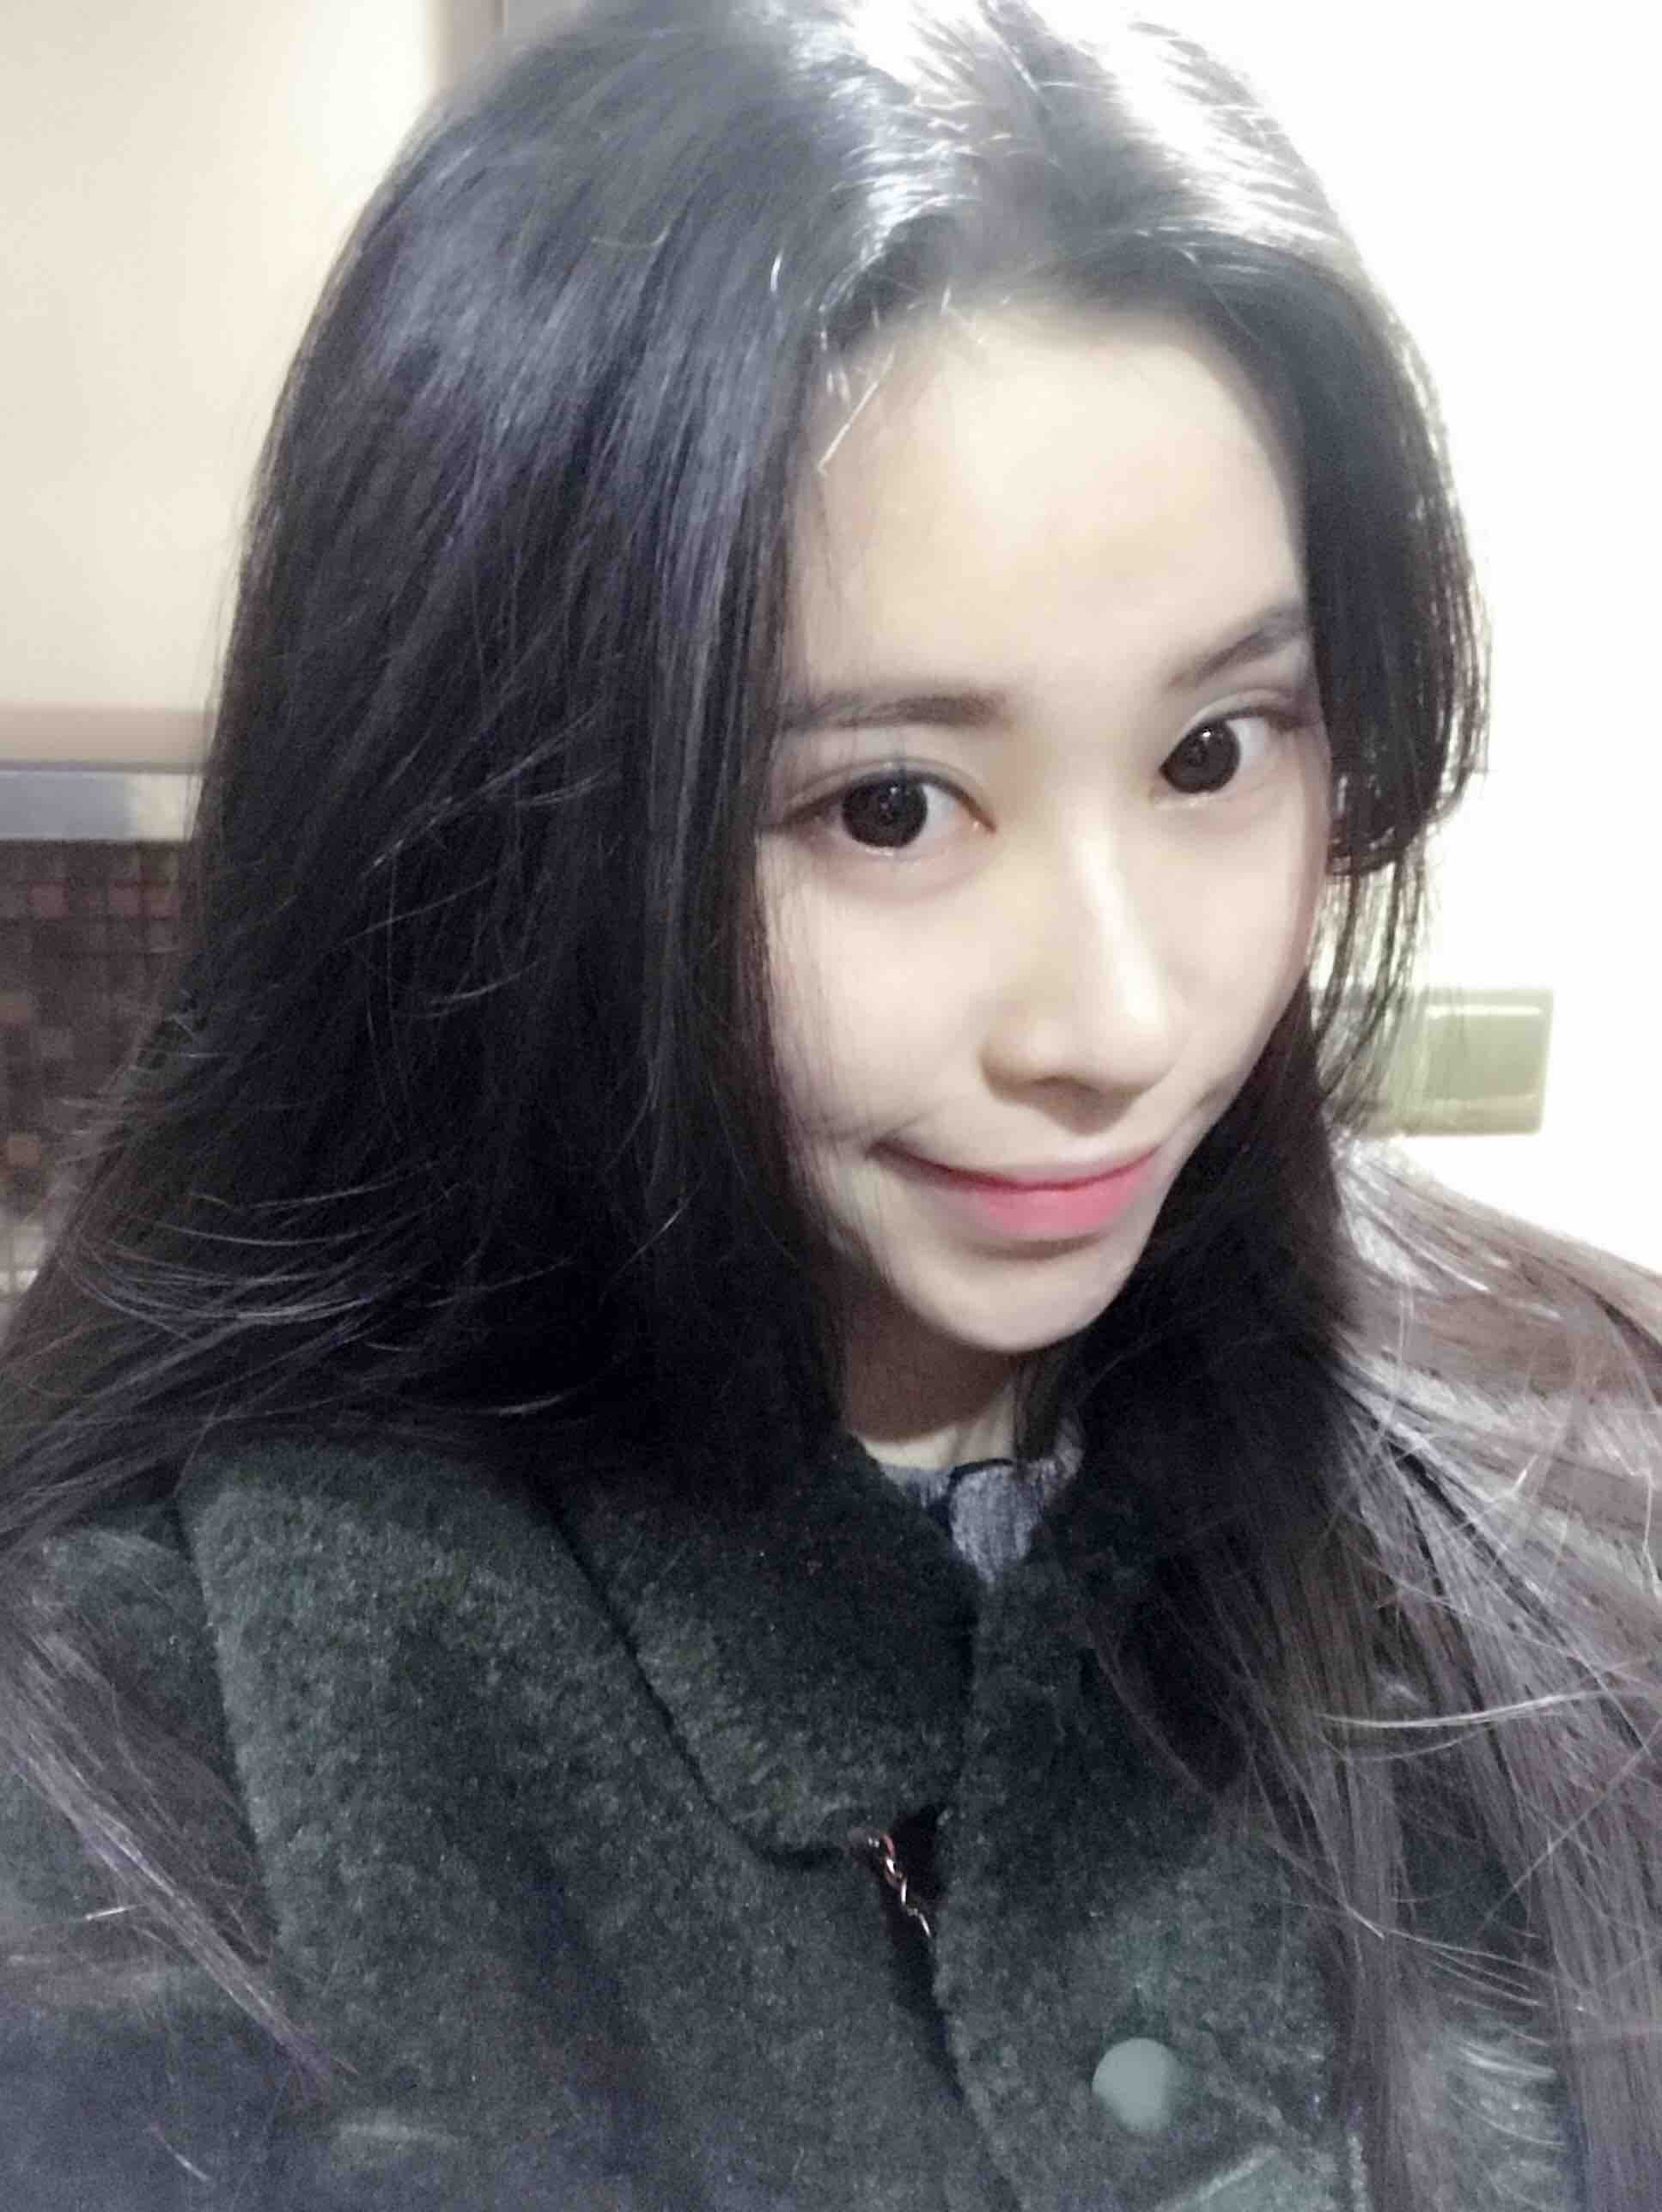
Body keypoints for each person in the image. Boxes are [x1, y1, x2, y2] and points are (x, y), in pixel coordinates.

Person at [1, 2, 1657, 2204]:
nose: (1118, 1017)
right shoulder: (141, 1731)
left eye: (1210, 752)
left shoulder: (1590, 1467)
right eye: (886, 804)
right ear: (488, 817)